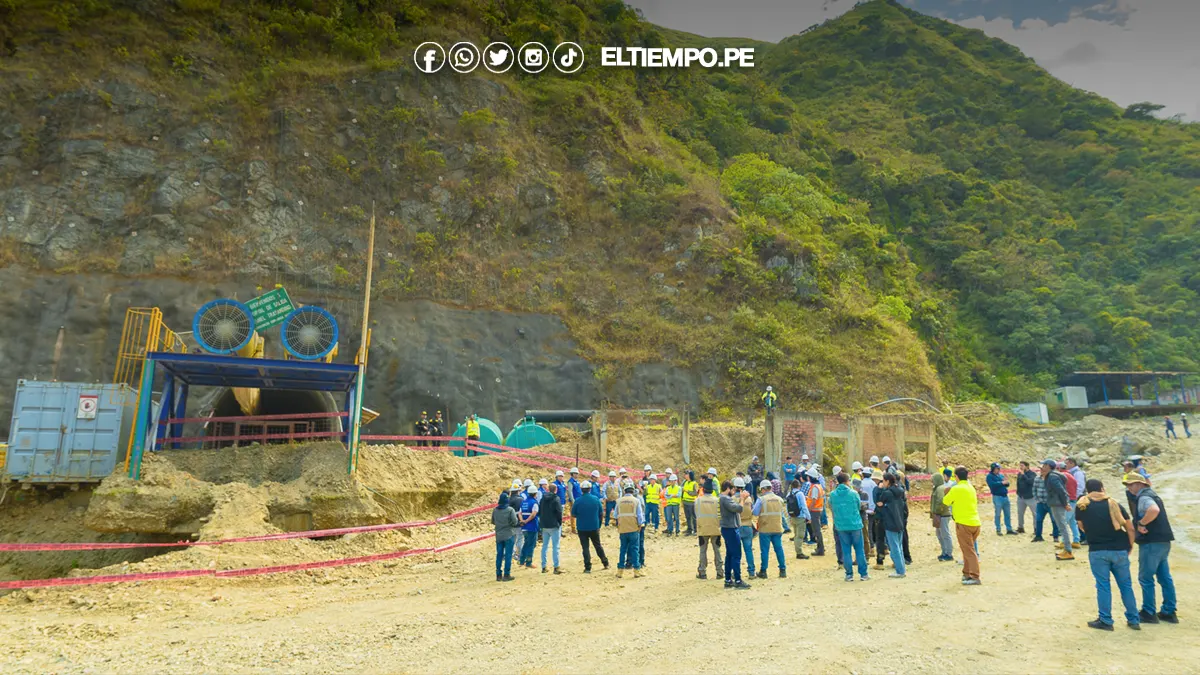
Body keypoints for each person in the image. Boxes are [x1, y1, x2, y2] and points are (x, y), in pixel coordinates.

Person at [1076, 478, 1139, 631]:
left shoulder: (1082, 505)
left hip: (1097, 550)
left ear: (1087, 490)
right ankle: (1133, 619)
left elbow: (1081, 526)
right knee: (1126, 586)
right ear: (1102, 488)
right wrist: (1130, 545)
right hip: (1119, 549)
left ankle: (1106, 620)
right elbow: (1130, 527)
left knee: (1103, 586)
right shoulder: (1114, 504)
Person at [1125, 473, 1178, 624]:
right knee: (1164, 577)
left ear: (1140, 484)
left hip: (1151, 542)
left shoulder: (1144, 498)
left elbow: (1153, 510)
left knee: (1146, 578)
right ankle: (1169, 611)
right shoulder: (1153, 495)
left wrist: (1141, 524)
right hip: (1163, 541)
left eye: (1131, 484)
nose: (1129, 488)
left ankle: (1148, 612)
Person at [943, 466, 981, 585]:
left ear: (957, 477)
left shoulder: (956, 488)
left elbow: (945, 501)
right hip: (975, 523)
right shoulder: (971, 488)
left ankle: (975, 576)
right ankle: (966, 573)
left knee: (969, 551)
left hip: (964, 524)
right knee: (968, 550)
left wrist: (947, 492)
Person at [830, 472, 868, 581]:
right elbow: (857, 506)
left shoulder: (833, 495)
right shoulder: (854, 493)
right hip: (855, 524)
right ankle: (863, 574)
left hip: (841, 526)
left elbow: (831, 507)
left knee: (846, 550)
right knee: (859, 549)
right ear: (847, 481)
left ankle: (849, 574)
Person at [720, 480, 752, 589]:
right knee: (736, 555)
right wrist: (742, 498)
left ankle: (728, 579)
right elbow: (739, 509)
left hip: (727, 528)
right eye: (732, 489)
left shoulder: (723, 499)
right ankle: (738, 580)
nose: (734, 491)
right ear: (728, 488)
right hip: (731, 529)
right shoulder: (726, 499)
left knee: (729, 555)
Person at [572, 481, 609, 574]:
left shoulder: (578, 501)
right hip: (594, 526)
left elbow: (573, 514)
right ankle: (605, 563)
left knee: (585, 548)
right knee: (598, 545)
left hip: (582, 528)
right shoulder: (596, 499)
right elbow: (601, 513)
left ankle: (587, 567)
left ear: (581, 490)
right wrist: (599, 524)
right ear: (590, 489)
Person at [753, 480, 788, 579]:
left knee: (764, 551)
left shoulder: (761, 499)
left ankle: (763, 571)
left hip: (765, 528)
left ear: (763, 489)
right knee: (779, 549)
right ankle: (782, 571)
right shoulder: (779, 499)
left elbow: (755, 513)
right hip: (777, 527)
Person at [876, 473, 907, 578]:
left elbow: (879, 504)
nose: (882, 483)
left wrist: (879, 490)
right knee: (899, 547)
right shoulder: (901, 491)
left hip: (890, 523)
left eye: (883, 481)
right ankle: (902, 568)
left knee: (894, 548)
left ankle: (900, 571)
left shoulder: (887, 493)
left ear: (887, 481)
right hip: (900, 522)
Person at [1046, 460, 1074, 560]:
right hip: (1057, 503)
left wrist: (1065, 503)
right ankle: (1067, 549)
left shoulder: (1052, 477)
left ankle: (1068, 550)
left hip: (1057, 504)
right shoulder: (1053, 475)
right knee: (1062, 526)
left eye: (1043, 466)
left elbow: (1061, 491)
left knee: (1062, 527)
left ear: (1048, 466)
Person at [615, 483, 645, 578]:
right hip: (633, 528)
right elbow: (640, 516)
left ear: (624, 491)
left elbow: (616, 515)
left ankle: (620, 571)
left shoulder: (619, 501)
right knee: (635, 549)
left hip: (623, 528)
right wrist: (640, 525)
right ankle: (636, 570)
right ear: (633, 491)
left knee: (623, 549)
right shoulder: (636, 501)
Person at [695, 482, 724, 580]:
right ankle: (720, 572)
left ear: (703, 489)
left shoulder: (698, 500)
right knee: (717, 550)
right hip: (715, 528)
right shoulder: (717, 500)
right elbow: (720, 515)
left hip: (702, 528)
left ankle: (702, 572)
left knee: (703, 551)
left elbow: (696, 513)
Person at [492, 492, 519, 582]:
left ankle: (498, 574)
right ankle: (506, 574)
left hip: (499, 536)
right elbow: (515, 522)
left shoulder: (495, 510)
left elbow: (493, 521)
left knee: (499, 555)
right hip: (509, 534)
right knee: (508, 555)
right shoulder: (510, 510)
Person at [1031, 463, 1060, 543]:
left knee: (1054, 520)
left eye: (1043, 469)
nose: (1041, 471)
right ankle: (1038, 536)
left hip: (1051, 503)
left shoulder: (1052, 479)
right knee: (1038, 520)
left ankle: (1056, 536)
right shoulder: (1037, 478)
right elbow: (1034, 489)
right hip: (1040, 503)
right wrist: (1036, 499)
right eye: (1041, 469)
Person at [930, 469, 955, 562]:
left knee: (945, 534)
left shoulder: (940, 489)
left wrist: (937, 511)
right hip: (940, 515)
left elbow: (941, 501)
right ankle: (944, 552)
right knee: (940, 534)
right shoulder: (938, 488)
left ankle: (948, 553)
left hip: (942, 515)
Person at [735, 477, 757, 580]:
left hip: (737, 526)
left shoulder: (733, 499)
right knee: (748, 550)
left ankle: (735, 572)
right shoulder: (749, 499)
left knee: (735, 552)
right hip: (748, 526)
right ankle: (752, 572)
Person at [786, 478, 812, 560]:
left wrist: (789, 517)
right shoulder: (800, 494)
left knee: (796, 534)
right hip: (800, 516)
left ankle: (798, 551)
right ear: (799, 486)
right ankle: (799, 553)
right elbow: (804, 506)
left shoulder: (788, 494)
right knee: (800, 536)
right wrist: (809, 517)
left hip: (793, 516)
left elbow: (788, 507)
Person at [986, 463, 1015, 535]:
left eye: (999, 468)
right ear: (993, 469)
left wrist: (1006, 482)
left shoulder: (1001, 475)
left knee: (1007, 514)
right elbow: (992, 485)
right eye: (997, 468)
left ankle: (1009, 529)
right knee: (998, 514)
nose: (998, 470)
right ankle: (998, 529)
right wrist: (1002, 482)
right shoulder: (989, 476)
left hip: (1005, 496)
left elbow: (1007, 484)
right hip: (997, 497)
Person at [804, 468, 826, 556]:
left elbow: (813, 500)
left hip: (814, 510)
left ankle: (820, 549)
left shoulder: (815, 487)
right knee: (817, 530)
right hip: (817, 510)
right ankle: (820, 548)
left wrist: (808, 510)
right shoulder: (817, 486)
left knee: (817, 530)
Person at [517, 485, 540, 568]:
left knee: (526, 543)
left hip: (524, 527)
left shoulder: (524, 502)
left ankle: (522, 560)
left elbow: (519, 513)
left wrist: (522, 521)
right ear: (535, 494)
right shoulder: (534, 502)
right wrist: (526, 521)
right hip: (532, 526)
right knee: (531, 545)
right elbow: (534, 514)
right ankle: (529, 562)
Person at [1065, 457, 1086, 543]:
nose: (1065, 465)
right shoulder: (1071, 473)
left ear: (1072, 463)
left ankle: (1085, 537)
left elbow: (1080, 487)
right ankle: (1079, 538)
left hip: (1077, 498)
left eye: (1066, 463)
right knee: (1074, 520)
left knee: (1080, 519)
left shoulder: (1078, 473)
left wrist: (1074, 497)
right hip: (1074, 498)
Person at [1015, 461, 1035, 534]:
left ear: (1027, 466)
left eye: (1022, 465)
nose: (1021, 467)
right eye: (1020, 465)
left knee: (1035, 514)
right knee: (1020, 513)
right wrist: (1018, 493)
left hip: (1030, 497)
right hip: (1021, 497)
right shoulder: (1019, 474)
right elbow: (1018, 484)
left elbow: (1031, 482)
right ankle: (1020, 528)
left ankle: (1036, 529)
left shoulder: (1032, 474)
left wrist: (1024, 475)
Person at [681, 470, 699, 536]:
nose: (685, 475)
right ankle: (689, 529)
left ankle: (695, 530)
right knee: (687, 517)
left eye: (686, 474)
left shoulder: (694, 483)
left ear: (689, 475)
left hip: (692, 503)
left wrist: (687, 491)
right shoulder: (685, 482)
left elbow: (695, 493)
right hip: (685, 502)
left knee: (693, 517)